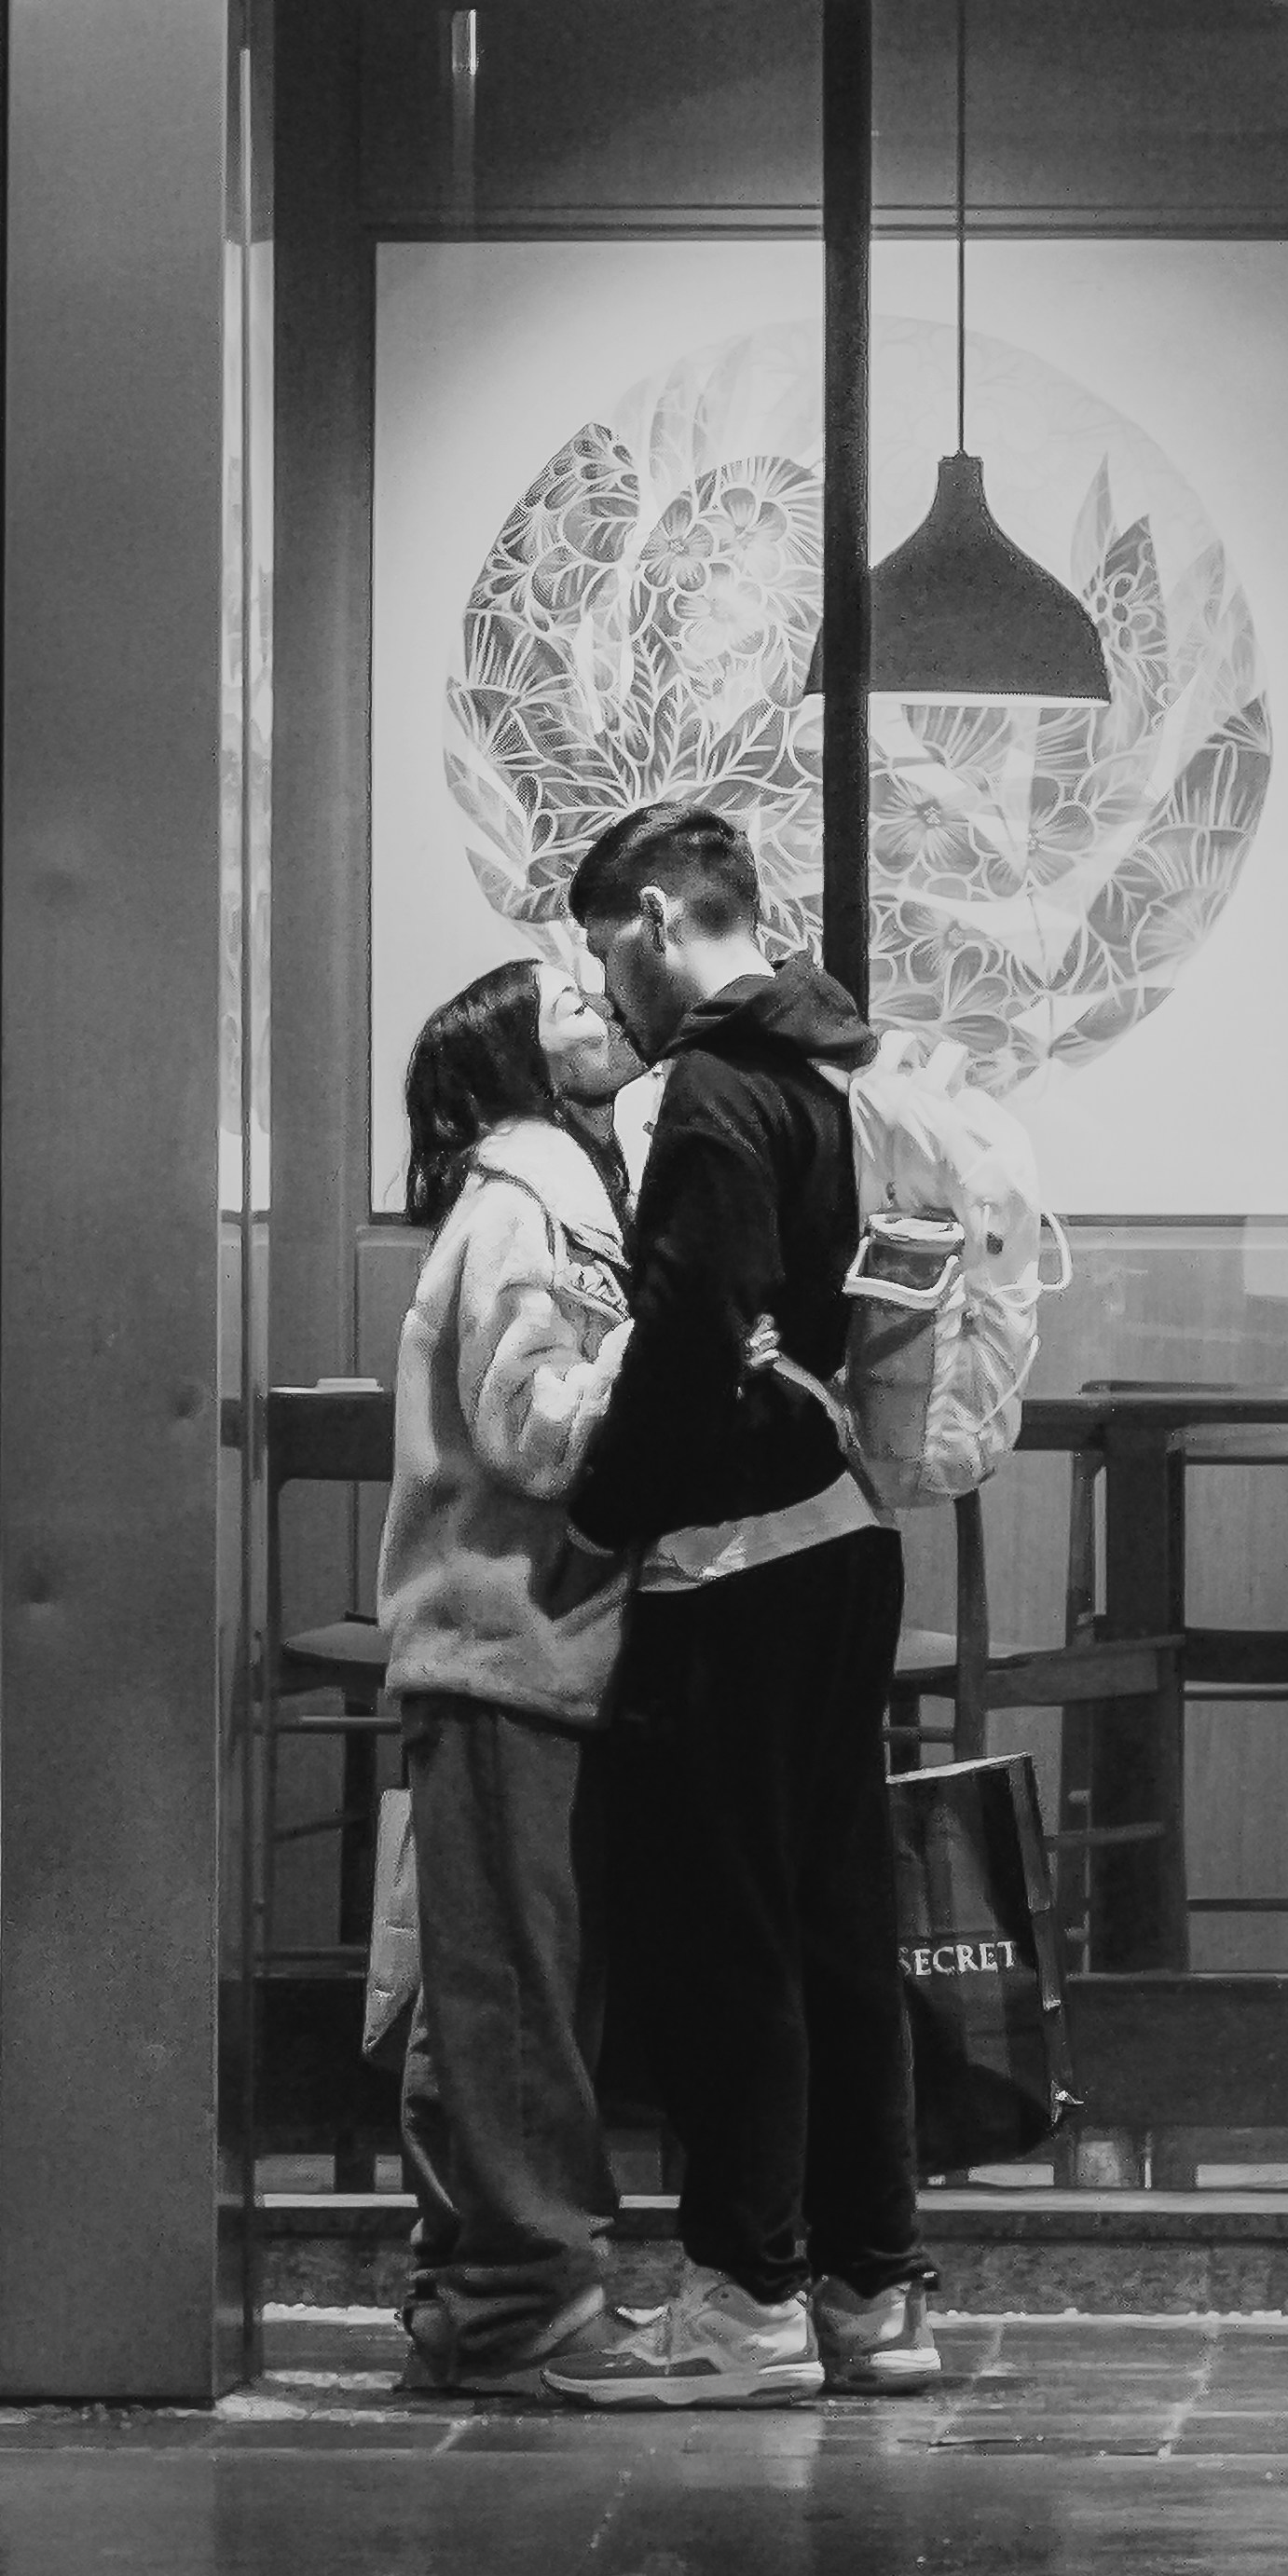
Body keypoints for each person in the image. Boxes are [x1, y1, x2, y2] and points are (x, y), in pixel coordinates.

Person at [542, 795, 945, 2409]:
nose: (604, 991)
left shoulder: (712, 1090)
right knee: (842, 1923)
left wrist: (607, 1505)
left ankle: (743, 2304)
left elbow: (694, 1330)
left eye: (599, 952)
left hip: (736, 1554)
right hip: (845, 1529)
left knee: (728, 1937)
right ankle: (870, 2287)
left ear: (652, 916)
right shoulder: (832, 1066)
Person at [373, 953, 648, 2402]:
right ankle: (530, 2300)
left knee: (484, 1983)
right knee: (517, 1993)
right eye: (571, 1006)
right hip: (508, 1637)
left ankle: (478, 2293)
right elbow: (537, 1433)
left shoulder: (541, 1186)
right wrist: (671, 1345)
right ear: (520, 1065)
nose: (604, 1008)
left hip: (509, 1645)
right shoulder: (533, 1196)